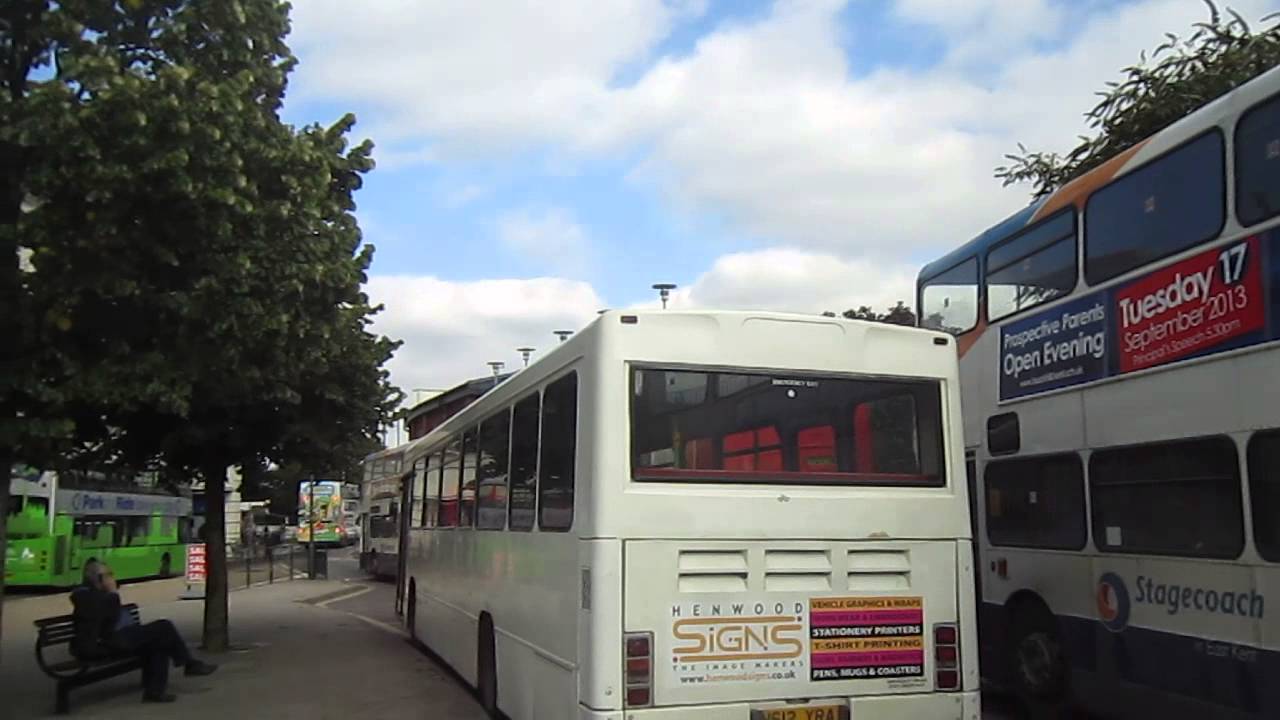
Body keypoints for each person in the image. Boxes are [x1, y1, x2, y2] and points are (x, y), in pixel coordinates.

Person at [70, 560, 218, 703]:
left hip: (115, 638)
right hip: (101, 645)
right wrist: (113, 593)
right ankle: (189, 664)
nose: (112, 578)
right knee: (164, 627)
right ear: (98, 579)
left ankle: (156, 691)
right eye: (109, 575)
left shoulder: (95, 595)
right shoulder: (86, 597)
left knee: (160, 640)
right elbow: (107, 621)